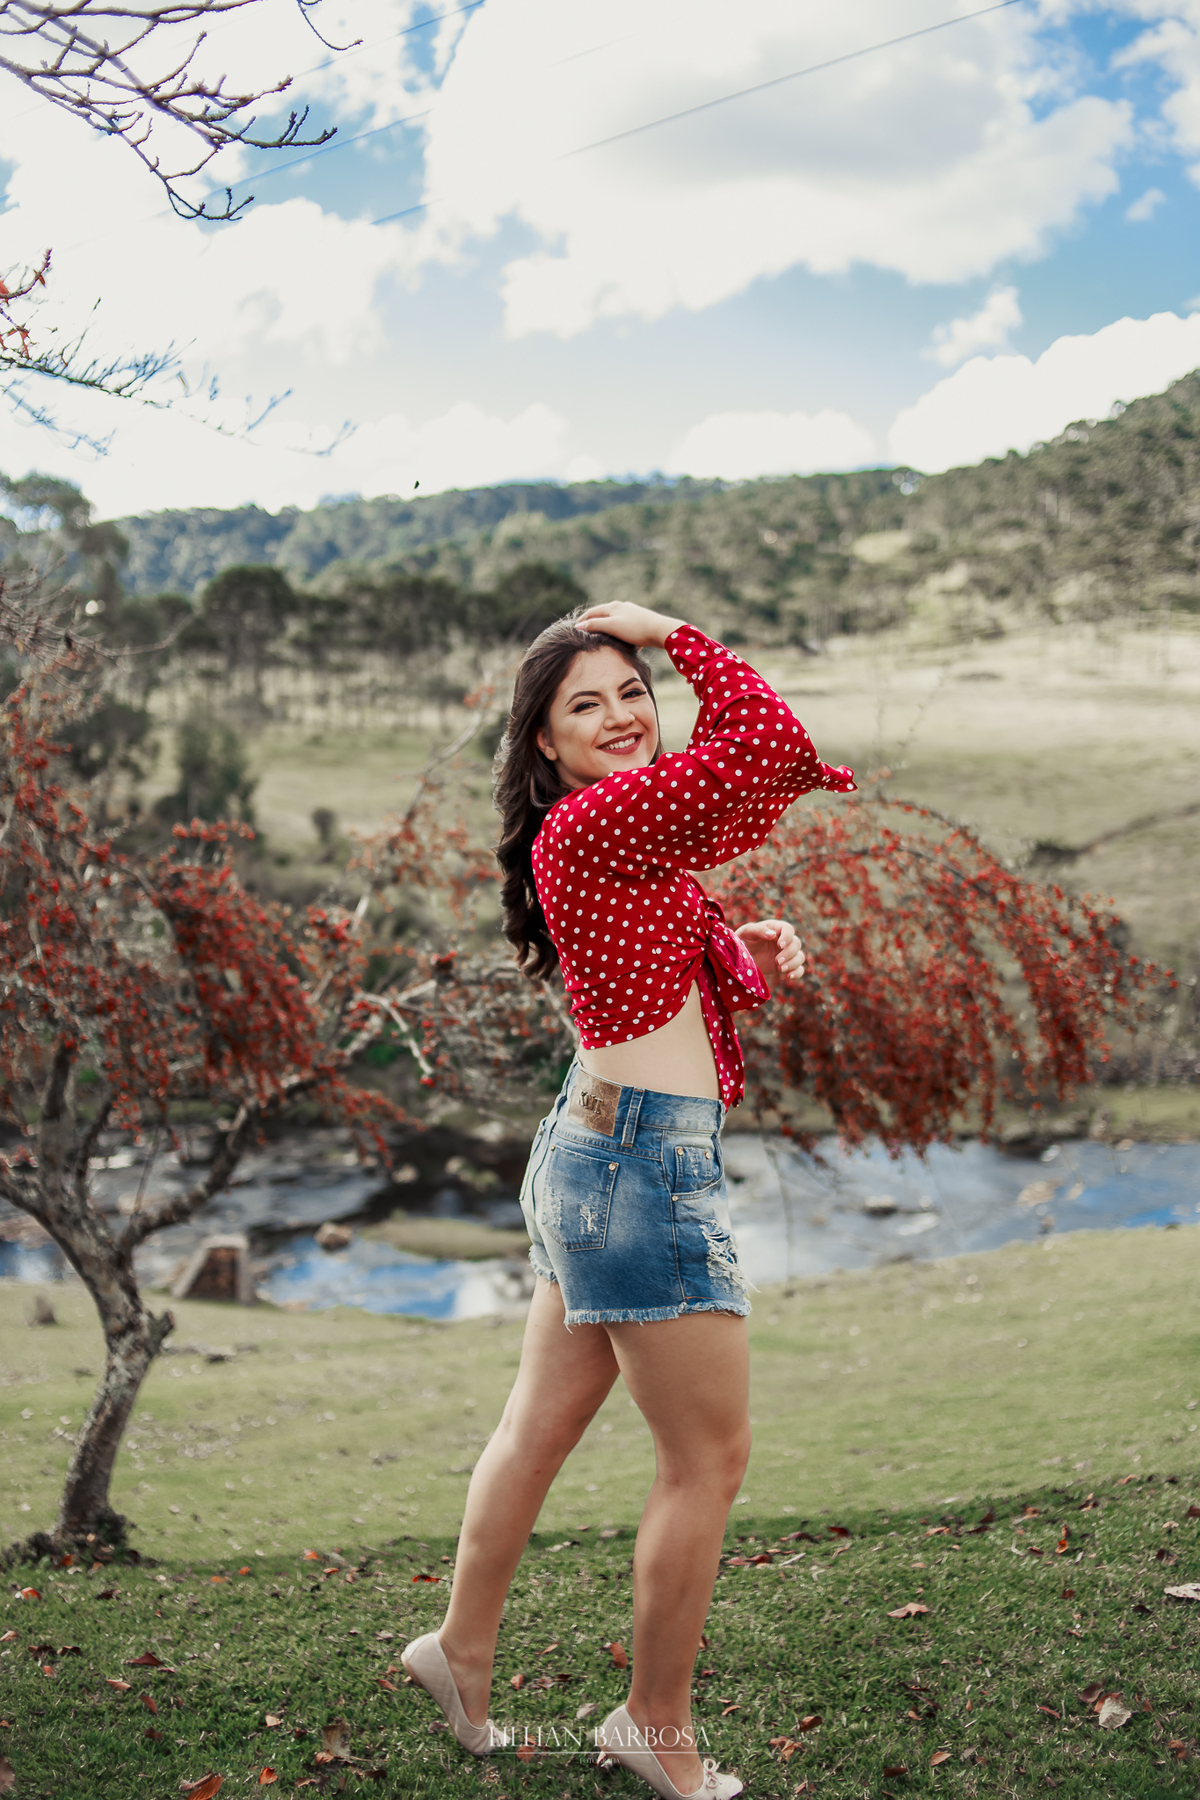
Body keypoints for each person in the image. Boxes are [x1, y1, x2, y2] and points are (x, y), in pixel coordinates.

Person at [402, 601, 855, 1800]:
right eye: (584, 703)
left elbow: (655, 990)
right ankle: (655, 1728)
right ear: (544, 743)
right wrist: (679, 631)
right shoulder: (600, 820)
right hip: (641, 1170)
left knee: (536, 1428)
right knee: (708, 1459)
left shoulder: (606, 838)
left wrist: (742, 945)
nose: (621, 714)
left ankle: (456, 1654)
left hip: (596, 1152)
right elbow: (763, 745)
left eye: (631, 688)